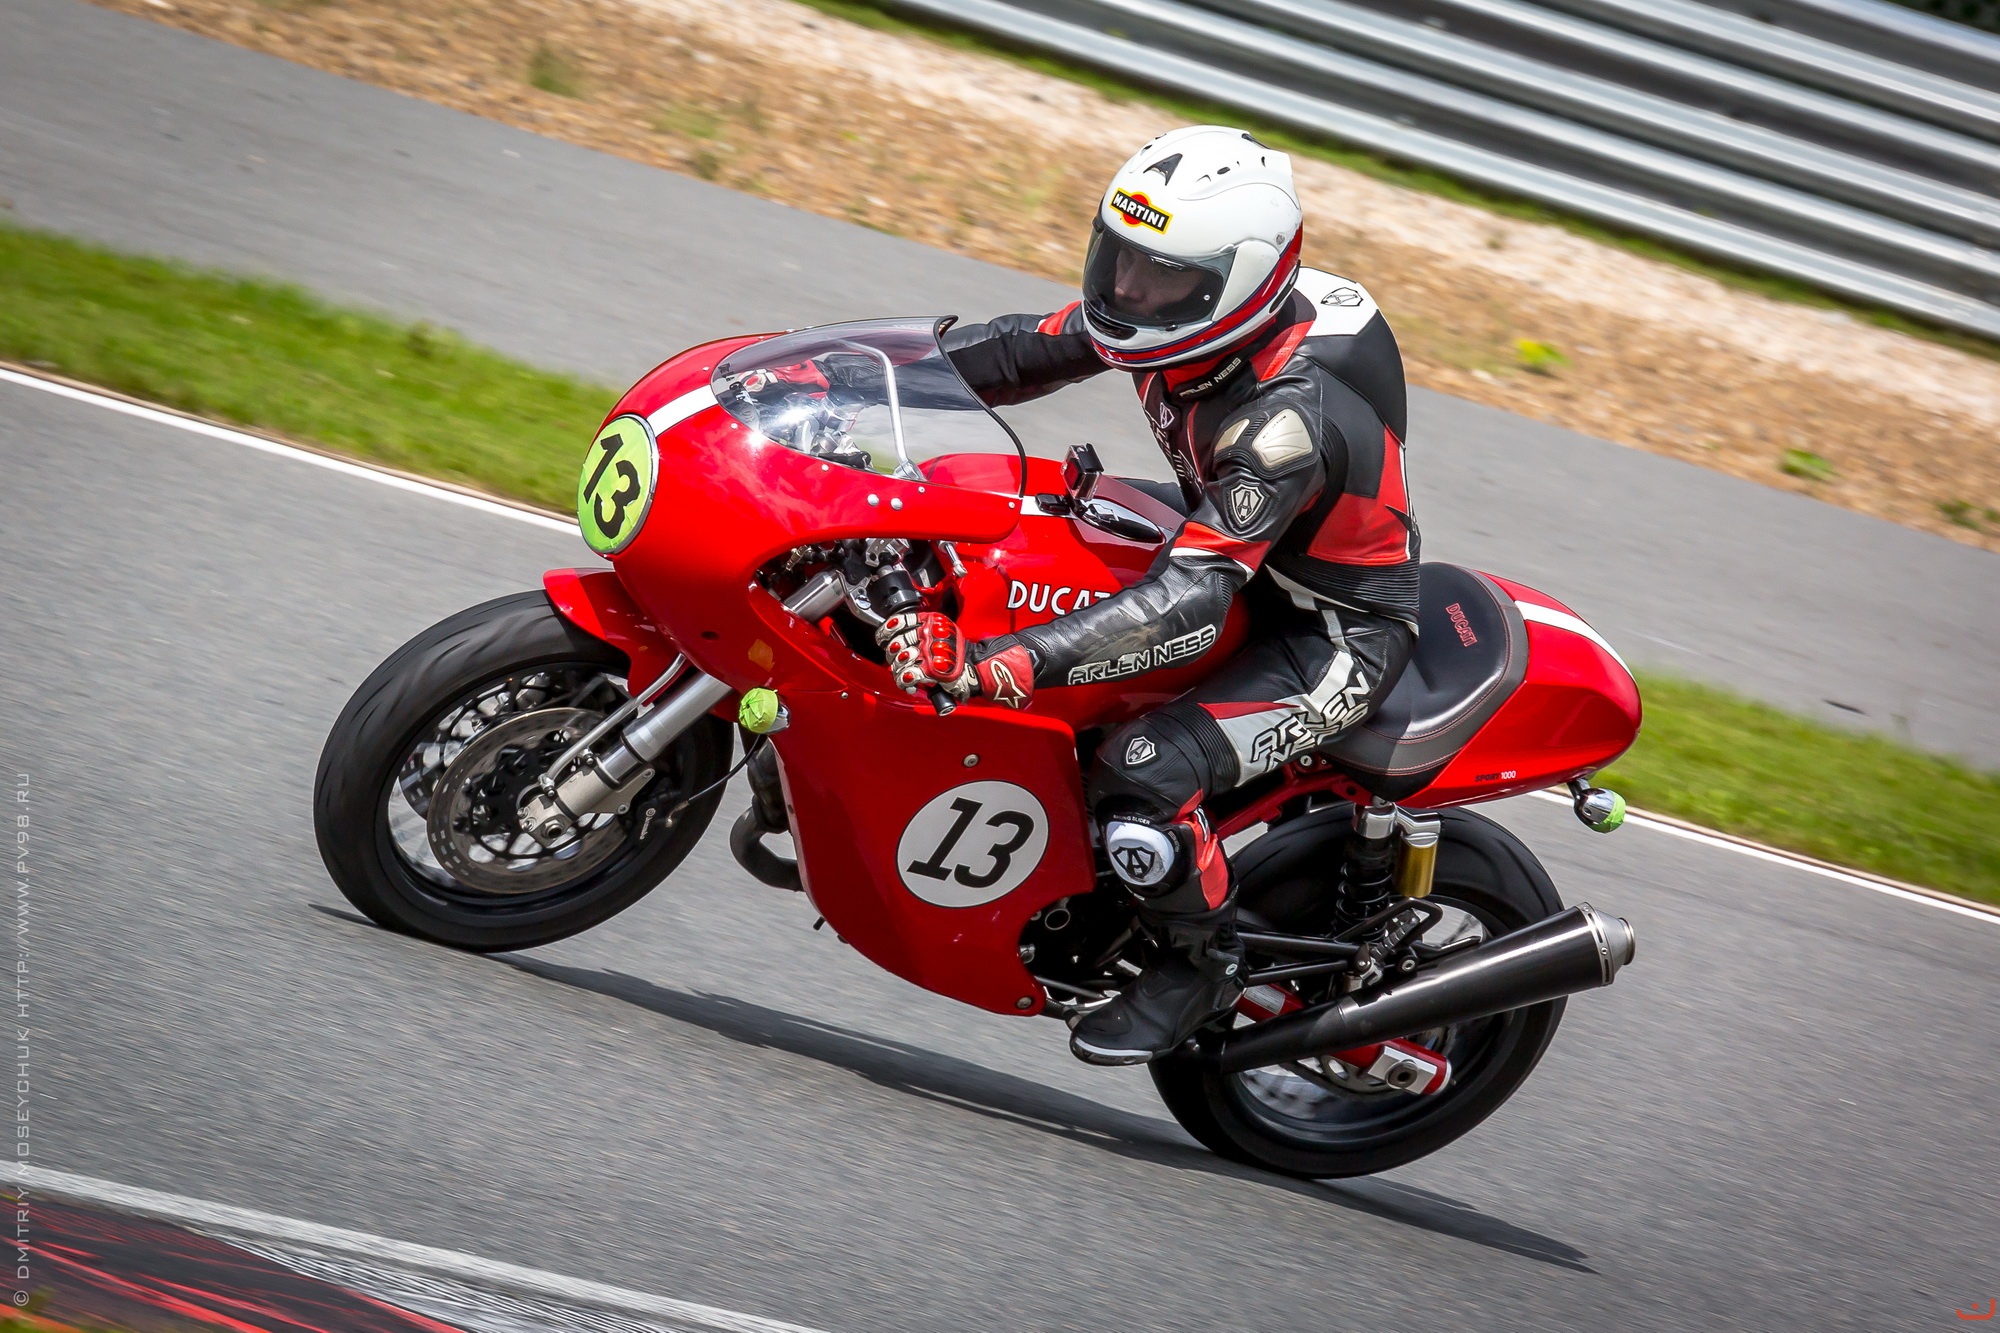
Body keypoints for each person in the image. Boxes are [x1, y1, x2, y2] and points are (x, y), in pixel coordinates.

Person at [877, 125, 1420, 1065]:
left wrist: (1001, 666)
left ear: (1237, 285)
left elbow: (1189, 601)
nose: (1127, 291)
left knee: (1141, 770)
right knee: (996, 535)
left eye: (1160, 277)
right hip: (1235, 552)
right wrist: (860, 374)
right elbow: (1019, 352)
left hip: (1331, 633)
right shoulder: (1191, 318)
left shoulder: (1282, 422)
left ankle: (1201, 963)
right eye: (1119, 258)